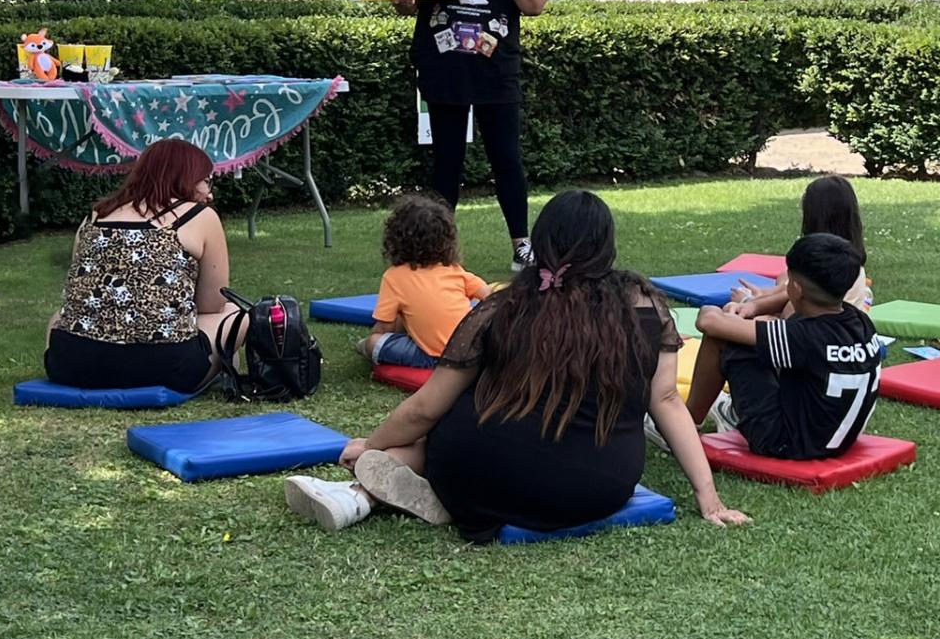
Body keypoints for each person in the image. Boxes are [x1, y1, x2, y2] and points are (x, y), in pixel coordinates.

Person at [282, 190, 747, 539]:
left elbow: (425, 408)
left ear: (541, 242)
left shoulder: (504, 306)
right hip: (598, 486)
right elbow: (666, 401)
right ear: (607, 246)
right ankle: (366, 494)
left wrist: (370, 446)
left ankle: (361, 492)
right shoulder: (645, 304)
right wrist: (709, 499)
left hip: (481, 472)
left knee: (449, 424)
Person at [394, 0, 548, 272]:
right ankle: (437, 253)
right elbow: (412, 6)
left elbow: (535, 5)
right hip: (445, 72)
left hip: (496, 75)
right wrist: (405, 3)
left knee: (506, 161)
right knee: (446, 163)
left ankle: (521, 246)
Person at [45, 139, 243, 393]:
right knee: (235, 313)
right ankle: (222, 362)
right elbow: (212, 304)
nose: (210, 193)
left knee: (57, 317)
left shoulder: (96, 215)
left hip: (70, 365)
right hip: (164, 369)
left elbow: (79, 291)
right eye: (206, 181)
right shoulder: (199, 216)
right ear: (185, 178)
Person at [681, 233, 881, 460]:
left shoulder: (802, 336)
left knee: (724, 339)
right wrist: (752, 308)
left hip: (783, 443)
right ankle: (732, 413)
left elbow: (708, 322)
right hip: (834, 438)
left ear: (795, 288)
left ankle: (685, 427)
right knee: (757, 335)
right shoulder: (858, 321)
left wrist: (728, 311)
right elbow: (786, 311)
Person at [360, 193, 491, 369]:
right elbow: (490, 296)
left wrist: (370, 342)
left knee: (373, 342)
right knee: (403, 316)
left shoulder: (394, 277)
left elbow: (384, 327)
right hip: (470, 351)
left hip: (436, 359)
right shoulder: (454, 271)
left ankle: (363, 346)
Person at [725, 175, 872, 318]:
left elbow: (788, 315)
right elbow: (788, 293)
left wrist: (748, 303)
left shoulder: (824, 272)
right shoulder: (849, 264)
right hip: (815, 325)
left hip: (815, 335)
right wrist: (762, 297)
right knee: (784, 277)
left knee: (730, 319)